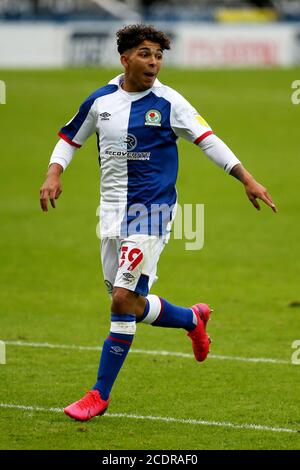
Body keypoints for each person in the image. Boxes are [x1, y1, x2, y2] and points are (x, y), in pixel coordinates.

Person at [40, 24, 277, 422]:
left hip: (151, 213)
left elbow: (208, 141)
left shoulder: (170, 102)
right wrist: (53, 173)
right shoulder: (101, 101)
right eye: (146, 54)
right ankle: (191, 318)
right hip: (111, 215)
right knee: (130, 304)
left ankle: (99, 394)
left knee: (120, 300)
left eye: (159, 55)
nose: (154, 62)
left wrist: (247, 178)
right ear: (125, 58)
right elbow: (70, 137)